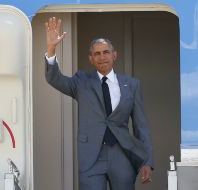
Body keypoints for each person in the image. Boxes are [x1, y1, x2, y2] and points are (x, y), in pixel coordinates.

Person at [44, 17, 153, 190]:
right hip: (91, 156)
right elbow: (55, 79)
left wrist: (147, 161)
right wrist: (51, 48)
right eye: (97, 53)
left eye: (106, 52)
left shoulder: (131, 85)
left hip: (122, 154)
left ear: (114, 55)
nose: (102, 57)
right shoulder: (81, 81)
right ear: (91, 58)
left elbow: (141, 126)